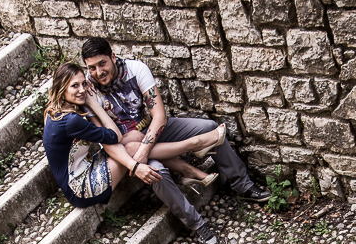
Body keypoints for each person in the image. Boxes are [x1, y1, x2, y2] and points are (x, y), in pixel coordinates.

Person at [80, 37, 272, 231]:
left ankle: (242, 184)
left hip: (151, 129)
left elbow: (159, 116)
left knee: (210, 128)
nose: (98, 72)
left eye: (102, 64)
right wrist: (137, 160)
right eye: (92, 68)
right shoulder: (87, 89)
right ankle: (197, 225)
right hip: (127, 147)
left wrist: (145, 150)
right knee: (157, 173)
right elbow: (105, 138)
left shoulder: (135, 69)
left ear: (112, 56)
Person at [42, 62, 224, 244]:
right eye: (75, 86)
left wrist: (90, 108)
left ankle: (187, 165)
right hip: (80, 186)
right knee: (134, 151)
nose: (82, 90)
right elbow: (114, 136)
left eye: (83, 84)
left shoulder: (54, 110)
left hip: (84, 167)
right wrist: (94, 104)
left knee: (136, 137)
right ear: (61, 87)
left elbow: (110, 137)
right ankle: (192, 146)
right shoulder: (71, 121)